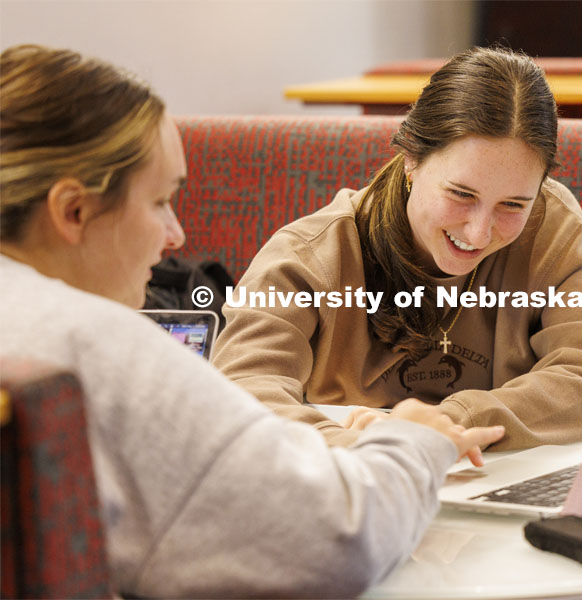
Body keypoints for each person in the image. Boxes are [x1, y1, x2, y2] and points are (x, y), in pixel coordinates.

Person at [0, 44, 504, 598]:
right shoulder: (93, 348)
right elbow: (334, 539)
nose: (176, 237)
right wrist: (415, 442)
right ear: (73, 211)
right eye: (161, 201)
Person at [212, 46, 582, 449]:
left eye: (513, 204)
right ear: (411, 158)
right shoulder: (309, 256)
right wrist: (369, 450)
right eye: (461, 194)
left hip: (493, 484)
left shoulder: (552, 229)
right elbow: (240, 393)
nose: (480, 233)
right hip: (350, 489)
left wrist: (446, 425)